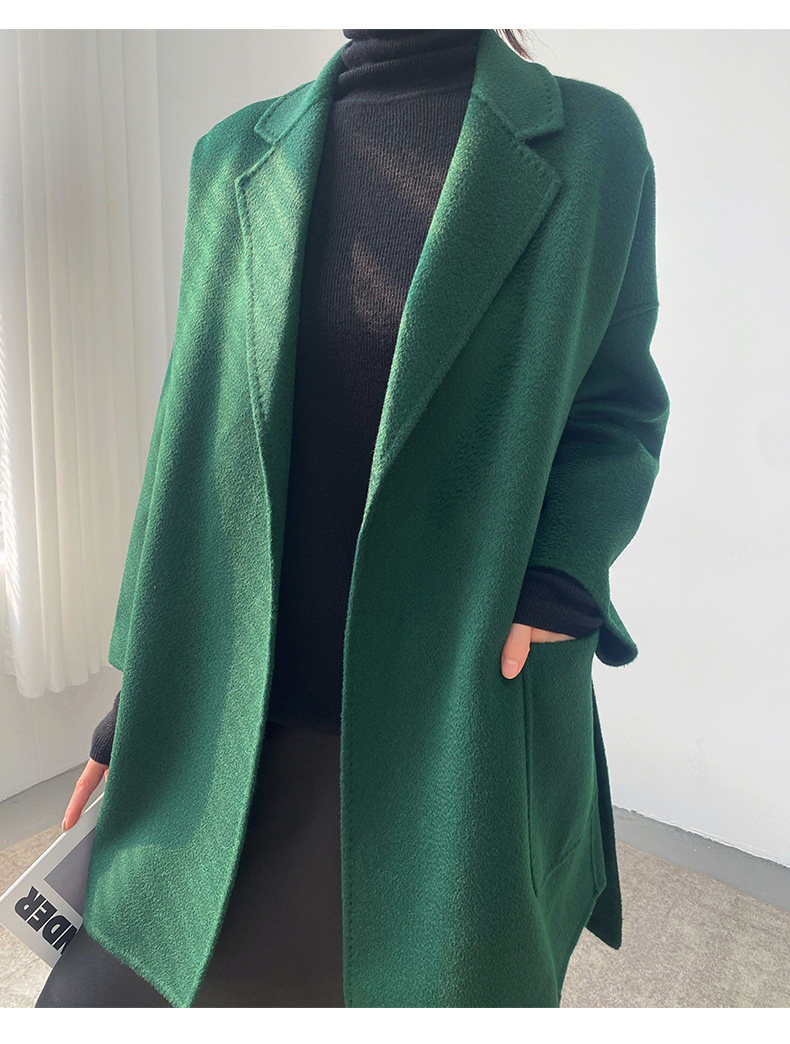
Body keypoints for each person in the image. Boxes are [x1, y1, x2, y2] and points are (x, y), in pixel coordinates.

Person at [36, 28, 669, 1007]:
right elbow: (192, 442)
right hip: (233, 708)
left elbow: (618, 403)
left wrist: (561, 578)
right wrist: (141, 700)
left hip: (459, 703)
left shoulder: (590, 141)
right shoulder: (233, 154)